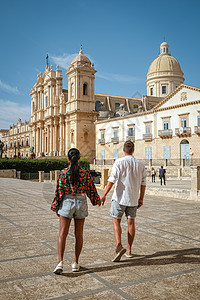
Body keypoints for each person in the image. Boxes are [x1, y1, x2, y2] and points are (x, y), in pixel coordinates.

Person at [51, 148, 101, 274]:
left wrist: (56, 206)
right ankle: (75, 262)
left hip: (67, 202)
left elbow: (59, 191)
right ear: (78, 158)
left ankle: (60, 263)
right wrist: (96, 200)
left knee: (63, 233)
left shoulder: (63, 173)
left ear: (68, 159)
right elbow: (91, 189)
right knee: (79, 235)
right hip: (81, 202)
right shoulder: (85, 173)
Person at [101, 141, 146, 261]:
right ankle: (129, 249)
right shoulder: (140, 164)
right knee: (131, 223)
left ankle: (118, 246)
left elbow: (112, 180)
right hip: (133, 199)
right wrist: (141, 198)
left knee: (116, 221)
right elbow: (143, 183)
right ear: (133, 150)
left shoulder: (119, 162)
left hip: (119, 198)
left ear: (123, 150)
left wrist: (104, 194)